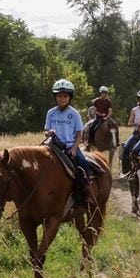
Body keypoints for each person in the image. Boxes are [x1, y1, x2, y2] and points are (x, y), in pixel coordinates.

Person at [44, 78, 94, 206]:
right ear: (55, 97)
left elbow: (79, 133)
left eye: (65, 96)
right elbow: (46, 130)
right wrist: (48, 133)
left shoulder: (74, 114)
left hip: (69, 146)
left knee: (83, 163)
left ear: (70, 97)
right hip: (52, 146)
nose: (62, 99)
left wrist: (73, 148)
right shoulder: (51, 113)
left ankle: (86, 191)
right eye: (59, 96)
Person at [120, 88, 140, 175]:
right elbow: (129, 122)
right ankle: (126, 171)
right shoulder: (134, 110)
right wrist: (137, 123)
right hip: (137, 133)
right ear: (139, 100)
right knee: (126, 148)